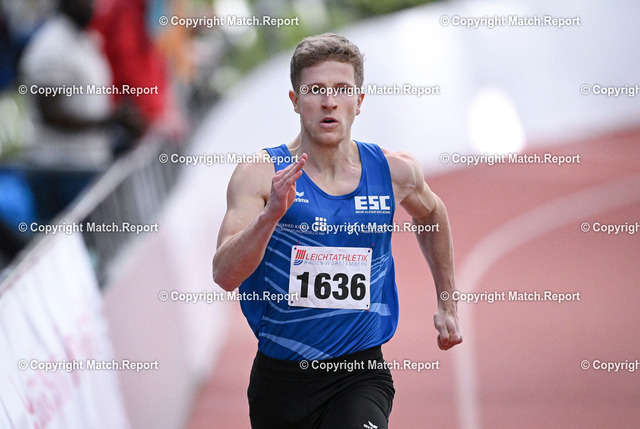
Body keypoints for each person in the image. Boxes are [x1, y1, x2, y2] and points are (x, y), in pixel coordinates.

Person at [212, 33, 462, 429]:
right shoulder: (259, 175)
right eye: (315, 90)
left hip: (360, 375)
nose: (329, 101)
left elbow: (432, 214)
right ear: (295, 100)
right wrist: (270, 216)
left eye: (342, 89)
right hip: (280, 381)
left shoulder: (394, 171)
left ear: (358, 102)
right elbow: (225, 275)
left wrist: (447, 301)